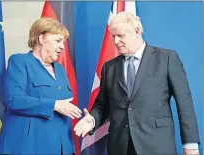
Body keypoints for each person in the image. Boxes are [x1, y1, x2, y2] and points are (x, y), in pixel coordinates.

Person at [74, 12, 200, 155]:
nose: (115, 41)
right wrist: (91, 120)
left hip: (156, 146)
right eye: (113, 36)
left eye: (120, 35)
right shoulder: (109, 67)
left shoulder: (167, 58)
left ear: (137, 32)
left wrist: (190, 144)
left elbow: (185, 104)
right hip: (120, 147)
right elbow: (102, 105)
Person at [0, 17, 81, 155]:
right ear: (42, 39)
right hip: (29, 147)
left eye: (63, 42)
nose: (62, 46)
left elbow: (65, 106)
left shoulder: (60, 69)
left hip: (61, 146)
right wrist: (54, 105)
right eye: (58, 41)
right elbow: (14, 99)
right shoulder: (19, 61)